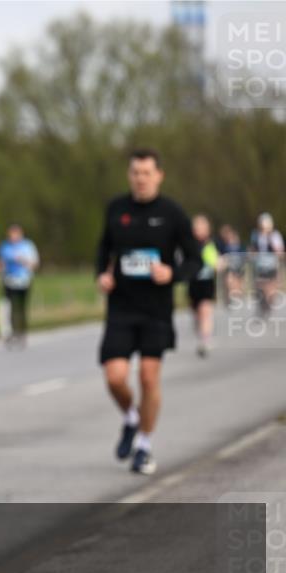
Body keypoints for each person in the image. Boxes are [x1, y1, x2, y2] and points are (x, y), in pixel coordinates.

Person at [96, 148, 200, 475]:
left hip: (156, 309)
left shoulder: (172, 213)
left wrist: (173, 274)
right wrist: (103, 274)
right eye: (135, 173)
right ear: (130, 176)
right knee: (114, 378)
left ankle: (144, 445)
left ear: (159, 175)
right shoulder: (116, 209)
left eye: (146, 173)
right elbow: (104, 249)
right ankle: (131, 416)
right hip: (121, 307)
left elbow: (196, 259)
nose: (140, 179)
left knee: (147, 377)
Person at [0, 224, 40, 349]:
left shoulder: (28, 246)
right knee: (9, 308)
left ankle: (22, 332)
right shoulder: (5, 247)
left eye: (16, 234)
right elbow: (0, 263)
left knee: (21, 308)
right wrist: (0, 267)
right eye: (11, 234)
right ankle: (10, 332)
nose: (13, 237)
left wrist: (23, 261)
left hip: (24, 281)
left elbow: (35, 263)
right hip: (9, 281)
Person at [188, 214, 218, 357]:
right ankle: (201, 333)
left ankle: (205, 341)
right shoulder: (188, 245)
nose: (199, 230)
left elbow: (216, 263)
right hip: (193, 283)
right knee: (196, 314)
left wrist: (219, 264)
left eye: (202, 227)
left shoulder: (210, 244)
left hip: (207, 283)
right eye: (196, 227)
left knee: (205, 310)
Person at [249, 212, 284, 318]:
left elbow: (280, 252)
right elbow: (252, 249)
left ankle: (268, 306)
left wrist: (270, 240)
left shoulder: (275, 235)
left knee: (270, 290)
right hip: (259, 266)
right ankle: (262, 307)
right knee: (259, 289)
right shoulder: (255, 234)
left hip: (271, 265)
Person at [216, 224, 246, 305]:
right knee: (229, 280)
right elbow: (221, 255)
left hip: (239, 266)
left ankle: (238, 295)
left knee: (238, 283)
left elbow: (244, 254)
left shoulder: (239, 246)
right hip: (230, 267)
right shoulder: (224, 246)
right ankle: (232, 296)